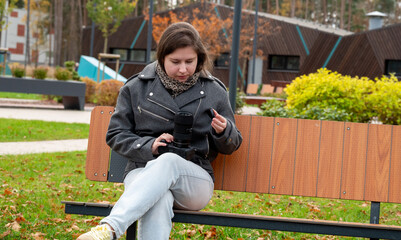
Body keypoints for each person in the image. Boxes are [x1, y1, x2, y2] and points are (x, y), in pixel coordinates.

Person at [77, 22, 242, 240]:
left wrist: (223, 131)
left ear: (199, 59)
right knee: (159, 197)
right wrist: (150, 146)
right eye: (175, 62)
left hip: (193, 179)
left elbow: (233, 143)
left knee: (169, 161)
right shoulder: (136, 87)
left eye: (189, 62)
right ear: (162, 58)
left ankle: (111, 228)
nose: (183, 69)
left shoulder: (214, 90)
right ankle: (108, 230)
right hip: (141, 170)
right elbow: (116, 134)